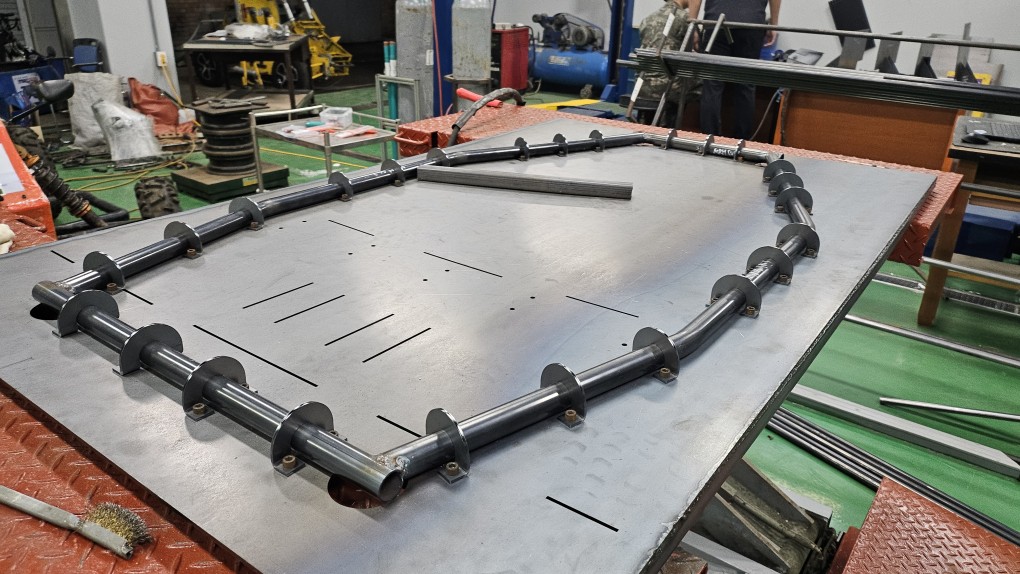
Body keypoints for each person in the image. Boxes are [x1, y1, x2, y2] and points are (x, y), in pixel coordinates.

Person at [687, 0, 780, 139]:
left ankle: (709, 140)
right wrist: (774, 24)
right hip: (751, 23)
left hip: (716, 22)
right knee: (745, 85)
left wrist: (692, 24)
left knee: (712, 85)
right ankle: (741, 143)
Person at [635, 0, 695, 126]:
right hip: (668, 90)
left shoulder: (647, 19)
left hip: (642, 88)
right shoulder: (685, 19)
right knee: (704, 85)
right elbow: (691, 54)